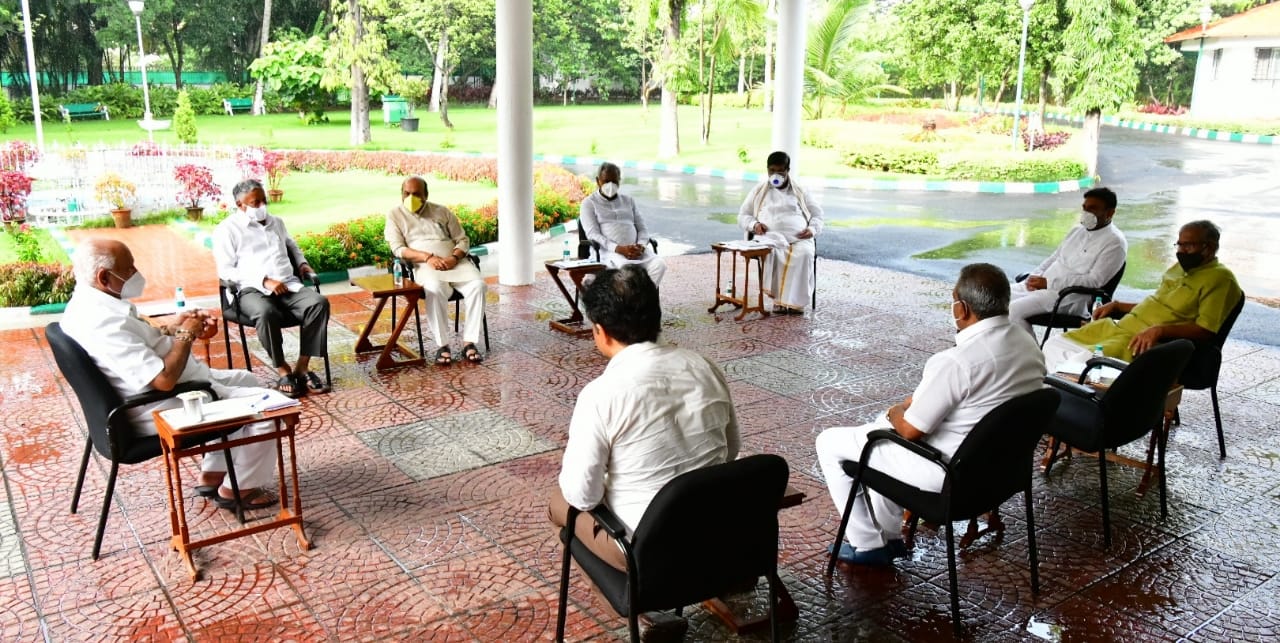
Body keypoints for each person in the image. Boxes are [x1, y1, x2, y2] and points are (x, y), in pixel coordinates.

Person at [816, 263, 1045, 566]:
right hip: (1001, 472)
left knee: (832, 442)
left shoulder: (958, 361)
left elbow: (911, 430)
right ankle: (889, 537)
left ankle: (869, 544)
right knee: (878, 438)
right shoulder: (1028, 345)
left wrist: (895, 411)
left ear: (961, 308)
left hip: (950, 475)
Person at [549, 265, 739, 582]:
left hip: (648, 548)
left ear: (600, 331)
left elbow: (583, 496)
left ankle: (638, 607)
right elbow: (731, 449)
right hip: (715, 531)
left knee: (560, 504)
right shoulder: (705, 367)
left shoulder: (599, 395)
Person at [61, 238, 280, 510]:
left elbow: (137, 341)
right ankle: (238, 490)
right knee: (269, 411)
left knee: (245, 380)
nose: (136, 274)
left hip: (157, 394)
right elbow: (164, 381)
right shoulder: (105, 323)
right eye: (129, 269)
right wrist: (187, 333)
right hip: (158, 406)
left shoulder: (89, 303)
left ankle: (213, 471)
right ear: (104, 276)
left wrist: (174, 326)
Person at [1042, 220, 1242, 368]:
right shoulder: (1179, 268)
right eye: (1179, 244)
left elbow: (1206, 330)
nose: (1181, 250)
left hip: (1145, 341)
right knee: (1054, 345)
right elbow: (1157, 306)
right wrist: (1118, 305)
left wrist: (1159, 331)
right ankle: (1059, 402)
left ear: (1210, 248)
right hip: (1121, 327)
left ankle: (1071, 409)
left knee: (1078, 362)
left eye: (1188, 245)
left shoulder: (1221, 280)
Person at [213, 179, 330, 398]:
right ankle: (283, 369)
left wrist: (302, 263)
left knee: (318, 303)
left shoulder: (277, 222)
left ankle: (302, 368)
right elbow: (225, 270)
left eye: (263, 201)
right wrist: (264, 280)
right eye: (255, 203)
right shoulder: (227, 230)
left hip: (288, 285)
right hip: (250, 289)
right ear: (240, 204)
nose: (261, 207)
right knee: (266, 312)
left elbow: (291, 245)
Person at [385, 176, 487, 365]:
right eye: (406, 193)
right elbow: (397, 249)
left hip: (455, 263)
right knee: (434, 288)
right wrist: (427, 257)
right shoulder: (395, 215)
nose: (410, 197)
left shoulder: (442, 211)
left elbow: (462, 239)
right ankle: (443, 345)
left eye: (416, 194)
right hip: (425, 264)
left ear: (426, 195)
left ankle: (469, 343)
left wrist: (453, 257)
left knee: (478, 286)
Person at [1009, 187, 1128, 336]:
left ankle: (1031, 356)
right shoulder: (1077, 230)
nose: (1086, 213)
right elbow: (1055, 257)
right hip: (1043, 286)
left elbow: (1094, 281)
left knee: (1013, 311)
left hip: (1069, 297)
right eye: (1084, 208)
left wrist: (1049, 282)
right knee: (994, 300)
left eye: (1092, 209)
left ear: (1110, 213)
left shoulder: (1115, 243)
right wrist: (1034, 276)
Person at [737, 150, 824, 314]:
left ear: (787, 171)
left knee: (804, 254)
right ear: (767, 170)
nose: (775, 175)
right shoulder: (758, 191)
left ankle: (795, 304)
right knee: (772, 254)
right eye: (772, 171)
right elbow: (743, 216)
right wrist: (754, 225)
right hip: (770, 239)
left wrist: (812, 230)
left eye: (780, 171)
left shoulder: (800, 190)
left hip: (799, 239)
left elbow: (818, 215)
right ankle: (779, 301)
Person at [579, 161, 667, 286]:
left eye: (614, 182)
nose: (610, 185)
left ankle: (641, 302)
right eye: (606, 181)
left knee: (659, 265)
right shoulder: (589, 203)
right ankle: (636, 303)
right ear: (598, 181)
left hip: (636, 252)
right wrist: (618, 248)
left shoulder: (628, 201)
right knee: (629, 271)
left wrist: (640, 246)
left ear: (619, 181)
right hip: (609, 253)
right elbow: (592, 234)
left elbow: (642, 229)